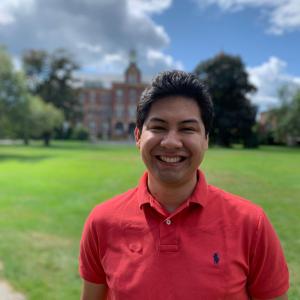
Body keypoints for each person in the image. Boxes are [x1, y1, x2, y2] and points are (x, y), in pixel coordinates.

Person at [79, 71, 289, 300]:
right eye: (158, 127)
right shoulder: (102, 221)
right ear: (138, 136)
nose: (171, 142)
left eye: (187, 129)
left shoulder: (252, 224)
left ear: (205, 139)